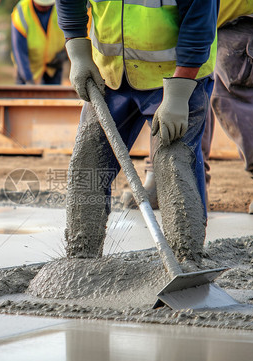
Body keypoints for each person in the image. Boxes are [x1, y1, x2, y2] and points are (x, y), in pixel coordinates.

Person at [57, 0, 218, 262]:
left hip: (175, 77)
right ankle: (81, 258)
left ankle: (187, 259)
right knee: (88, 161)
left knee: (173, 163)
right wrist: (77, 49)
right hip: (109, 75)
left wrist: (180, 91)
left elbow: (199, 20)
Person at [137, 0, 253, 214]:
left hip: (243, 13)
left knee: (232, 95)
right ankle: (171, 179)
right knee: (178, 90)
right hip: (185, 13)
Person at [11, 0, 67, 85]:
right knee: (23, 95)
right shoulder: (22, 10)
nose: (45, 7)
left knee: (52, 96)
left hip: (54, 65)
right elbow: (19, 50)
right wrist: (27, 78)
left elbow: (72, 33)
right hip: (28, 66)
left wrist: (65, 54)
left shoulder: (62, 6)